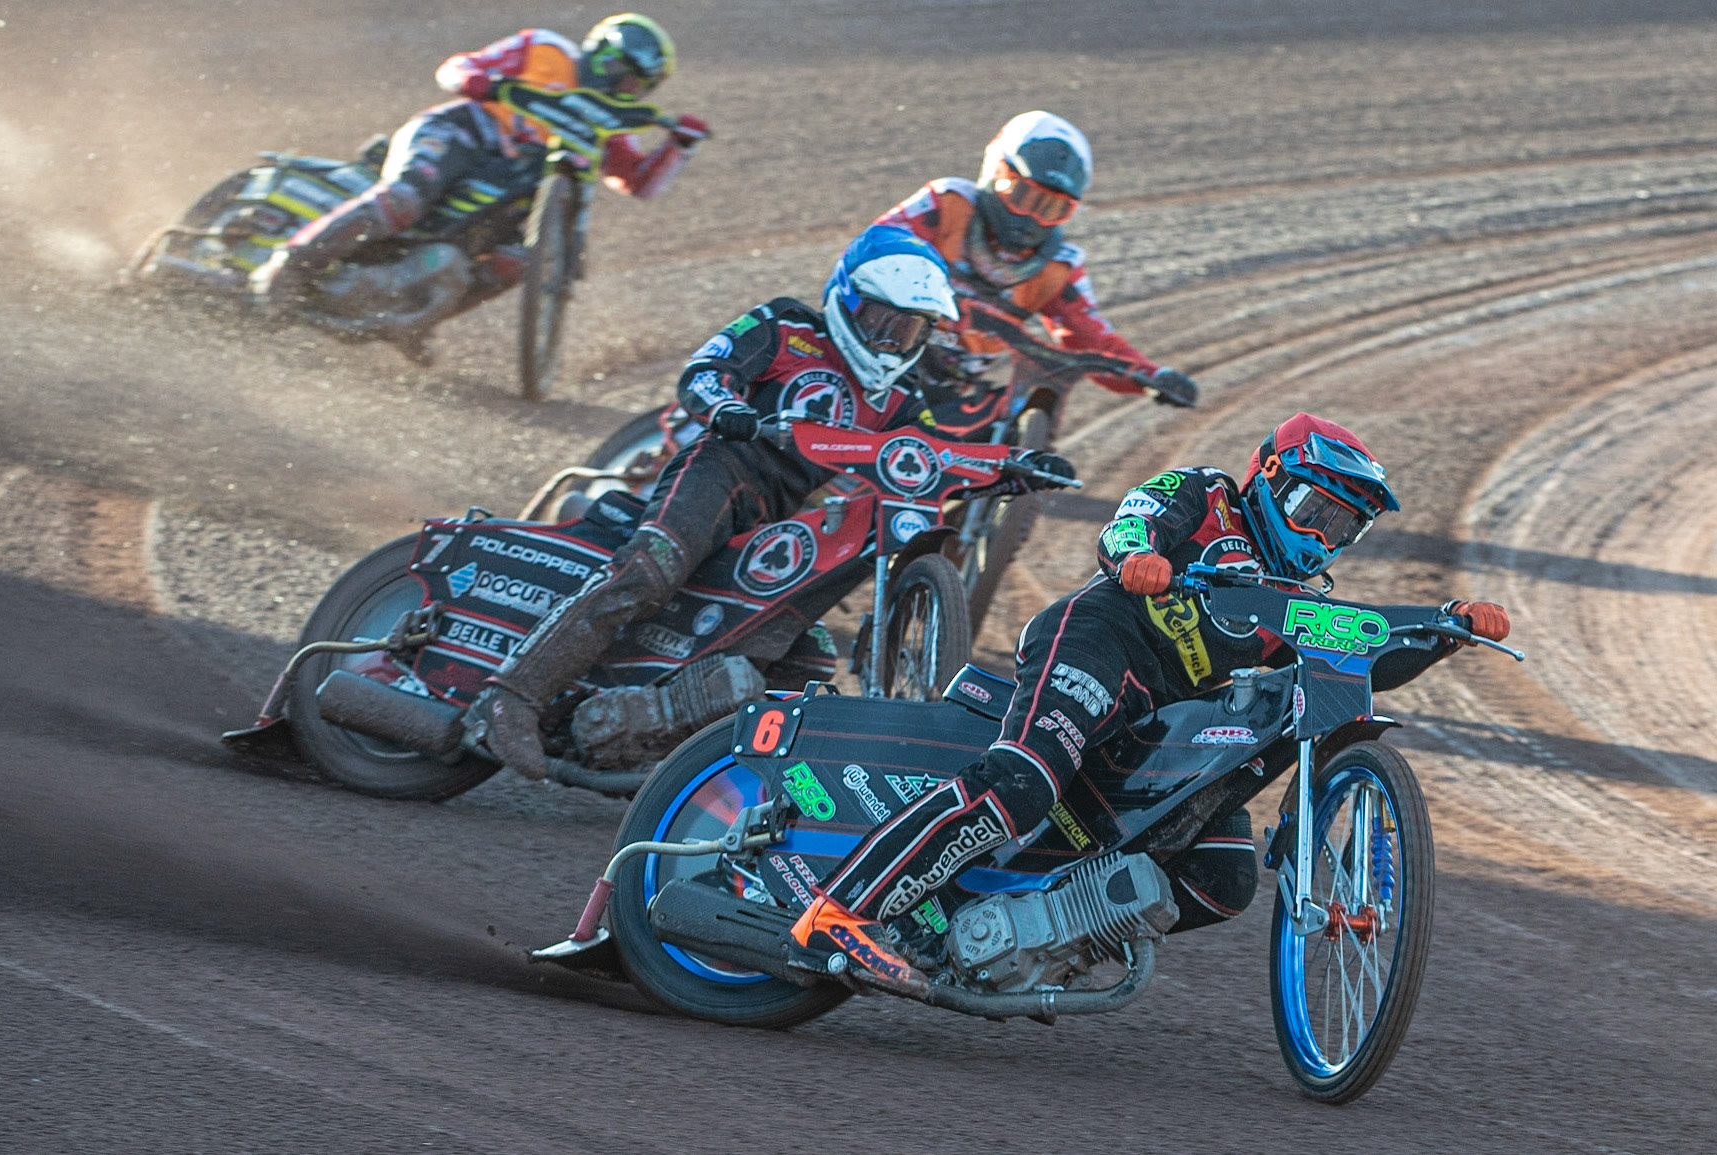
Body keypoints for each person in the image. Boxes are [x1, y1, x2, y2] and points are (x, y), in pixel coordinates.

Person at [787, 412, 1511, 995]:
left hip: (1162, 720)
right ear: (1267, 476)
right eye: (1312, 509)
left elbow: (1366, 656)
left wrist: (1445, 629)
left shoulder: (1293, 605)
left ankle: (1049, 935)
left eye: (1341, 527)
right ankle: (838, 907)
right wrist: (1139, 556)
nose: (1322, 538)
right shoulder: (1205, 492)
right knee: (1022, 780)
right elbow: (1129, 522)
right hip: (1100, 641)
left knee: (1225, 878)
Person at [460, 224, 1073, 780]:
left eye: (909, 330)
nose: (892, 342)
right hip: (723, 471)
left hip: (781, 514)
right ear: (850, 301)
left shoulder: (903, 396)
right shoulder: (786, 326)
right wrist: (726, 407)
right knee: (647, 574)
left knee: (803, 657)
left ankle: (665, 758)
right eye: (883, 323)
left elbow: (932, 450)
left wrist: (1012, 468)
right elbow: (707, 369)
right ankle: (511, 697)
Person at [249, 15, 707, 324]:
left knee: (518, 262)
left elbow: (639, 183)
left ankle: (412, 319)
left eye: (640, 88)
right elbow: (457, 68)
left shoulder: (607, 120)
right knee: (405, 200)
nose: (631, 93)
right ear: (609, 58)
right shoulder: (544, 49)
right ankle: (287, 266)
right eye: (630, 80)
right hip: (462, 133)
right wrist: (477, 81)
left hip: (515, 190)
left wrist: (679, 146)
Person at [874, 110, 1196, 431]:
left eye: (1052, 209)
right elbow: (871, 250)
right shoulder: (946, 204)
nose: (1031, 219)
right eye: (1023, 196)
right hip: (871, 357)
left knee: (1006, 441)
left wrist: (1151, 376)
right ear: (996, 170)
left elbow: (1090, 338)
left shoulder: (1057, 266)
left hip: (942, 397)